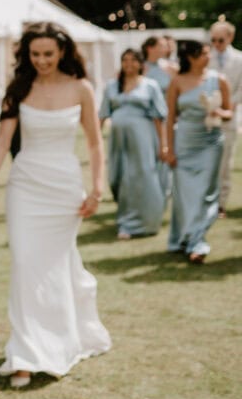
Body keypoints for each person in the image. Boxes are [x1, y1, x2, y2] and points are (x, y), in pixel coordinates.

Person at [0, 22, 110, 389]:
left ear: (62, 53)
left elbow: (95, 143)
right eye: (35, 54)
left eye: (48, 54)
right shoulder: (19, 88)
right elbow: (2, 141)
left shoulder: (81, 88)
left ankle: (60, 342)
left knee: (56, 267)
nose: (41, 61)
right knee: (25, 264)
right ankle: (25, 354)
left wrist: (97, 189)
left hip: (64, 187)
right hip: (26, 185)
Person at [165, 40, 232, 264]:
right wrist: (169, 148)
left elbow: (230, 113)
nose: (208, 57)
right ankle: (184, 237)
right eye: (204, 53)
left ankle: (198, 241)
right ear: (191, 57)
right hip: (185, 142)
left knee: (206, 193)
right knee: (185, 195)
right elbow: (170, 118)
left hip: (210, 142)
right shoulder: (177, 82)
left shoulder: (219, 80)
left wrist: (218, 112)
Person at [98, 49, 168, 239]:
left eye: (132, 60)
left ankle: (141, 222)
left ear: (140, 64)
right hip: (119, 140)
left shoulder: (150, 86)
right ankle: (127, 216)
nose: (128, 64)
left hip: (143, 138)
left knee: (142, 176)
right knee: (119, 177)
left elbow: (159, 117)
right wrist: (95, 140)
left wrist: (163, 145)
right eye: (125, 61)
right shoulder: (113, 86)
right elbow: (103, 114)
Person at [209, 22, 242, 217]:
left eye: (220, 40)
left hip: (229, 118)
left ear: (230, 37)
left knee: (225, 163)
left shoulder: (240, 59)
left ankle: (220, 204)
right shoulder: (206, 58)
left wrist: (225, 106)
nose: (216, 44)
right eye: (213, 40)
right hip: (208, 117)